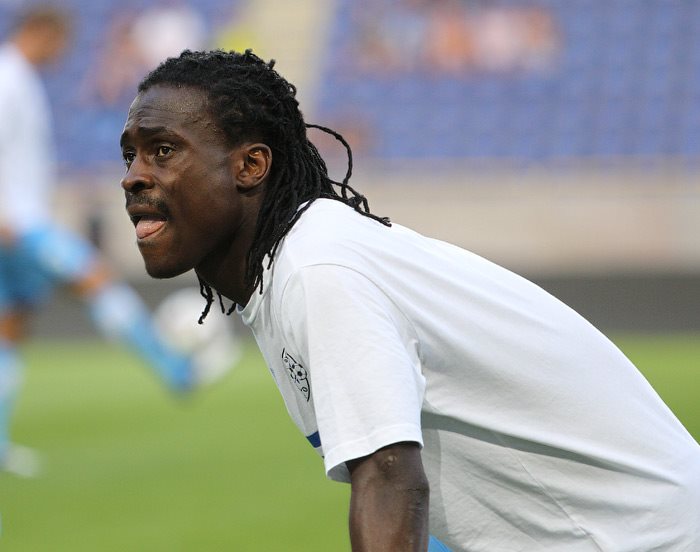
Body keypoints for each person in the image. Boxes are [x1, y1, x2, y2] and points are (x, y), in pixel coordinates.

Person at [118, 49, 700, 551]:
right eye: (131, 155)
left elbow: (391, 480)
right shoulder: (290, 268)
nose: (133, 177)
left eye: (163, 150)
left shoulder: (319, 270)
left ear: (251, 165)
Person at [0, 6, 204, 478]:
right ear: (43, 33)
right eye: (60, 44)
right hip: (18, 224)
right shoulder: (9, 79)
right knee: (95, 277)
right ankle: (174, 370)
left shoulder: (20, 78)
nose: (62, 54)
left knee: (10, 327)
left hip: (18, 221)